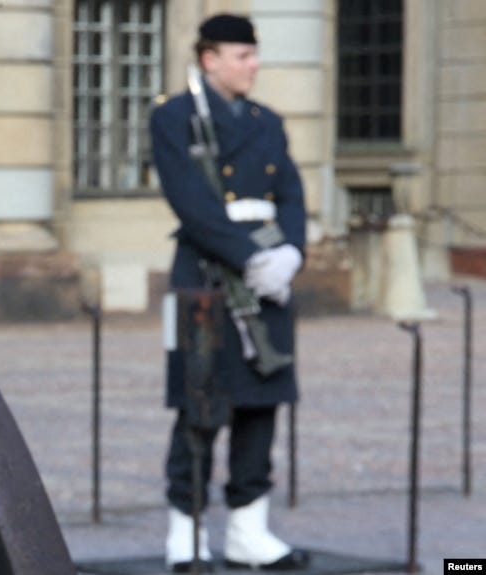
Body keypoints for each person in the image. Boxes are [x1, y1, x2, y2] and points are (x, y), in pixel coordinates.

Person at [148, 13, 309, 572]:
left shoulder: (268, 122)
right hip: (207, 276)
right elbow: (190, 202)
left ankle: (248, 531)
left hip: (269, 277)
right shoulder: (174, 117)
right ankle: (185, 532)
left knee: (262, 401)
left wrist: (291, 253)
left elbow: (290, 192)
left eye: (254, 54)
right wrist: (249, 257)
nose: (254, 65)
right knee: (201, 402)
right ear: (209, 57)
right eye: (243, 55)